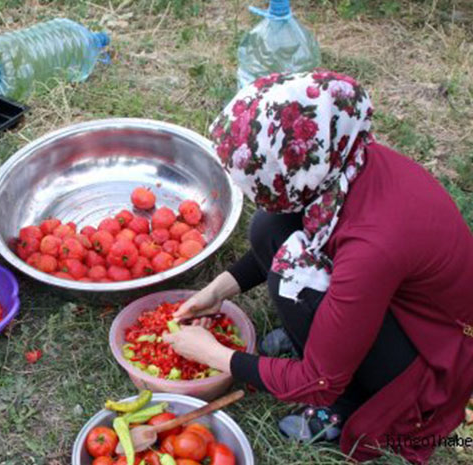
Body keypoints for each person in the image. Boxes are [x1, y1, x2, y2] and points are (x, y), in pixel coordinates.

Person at [162, 70, 473, 463]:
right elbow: (282, 227)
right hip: (395, 303)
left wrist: (215, 355)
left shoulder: (372, 247)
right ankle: (318, 339)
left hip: (429, 357)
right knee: (270, 227)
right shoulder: (344, 161)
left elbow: (318, 381)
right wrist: (217, 291)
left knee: (296, 283)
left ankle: (348, 404)